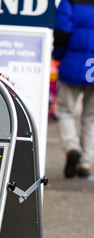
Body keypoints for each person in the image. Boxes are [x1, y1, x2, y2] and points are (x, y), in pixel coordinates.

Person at [53, 0, 94, 178]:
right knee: (91, 118)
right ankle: (85, 163)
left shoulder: (70, 2)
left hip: (73, 63)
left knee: (65, 110)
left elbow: (63, 31)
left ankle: (71, 147)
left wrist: (57, 55)